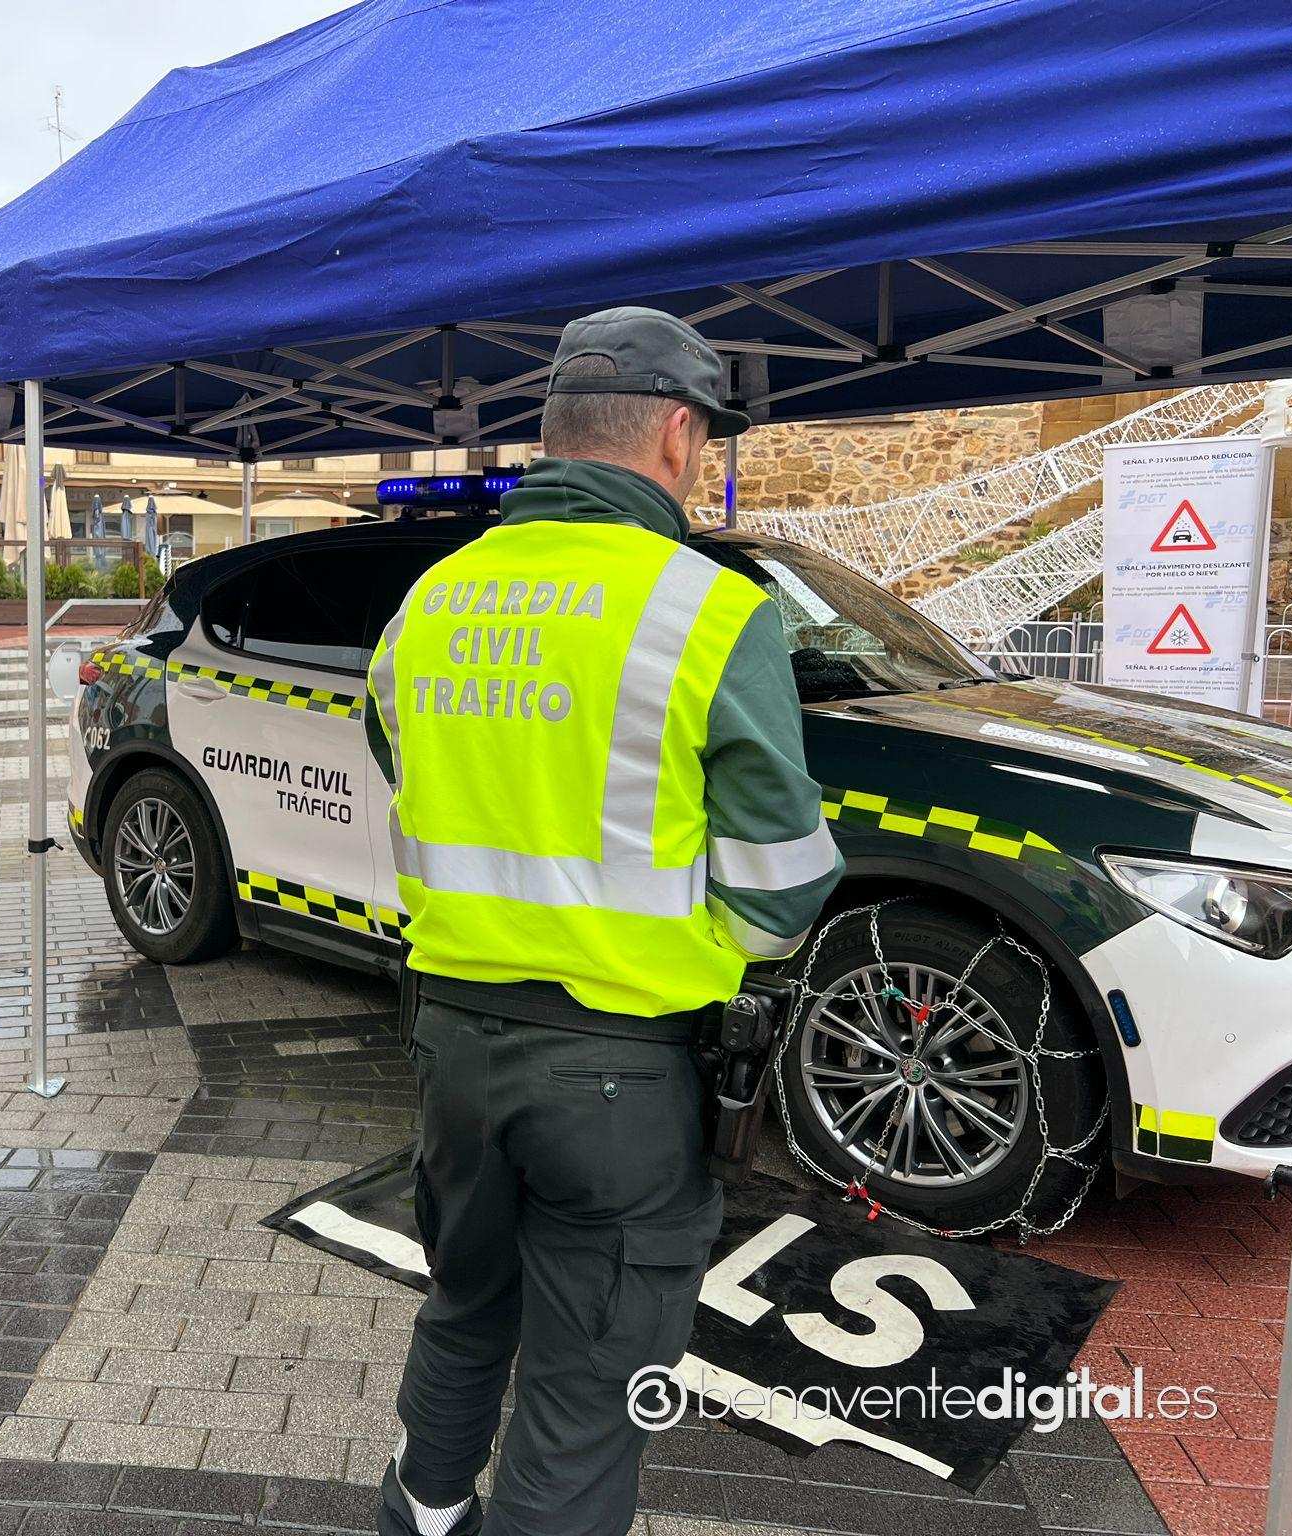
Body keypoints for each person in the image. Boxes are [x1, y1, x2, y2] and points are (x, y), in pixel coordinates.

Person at [366, 307, 844, 1536]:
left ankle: (419, 1514)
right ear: (677, 434)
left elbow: (400, 760)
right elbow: (781, 887)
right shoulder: (708, 609)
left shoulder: (430, 599)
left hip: (451, 1045)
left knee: (463, 1305)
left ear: (555, 431)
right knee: (584, 1387)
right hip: (622, 1069)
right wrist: (684, 944)